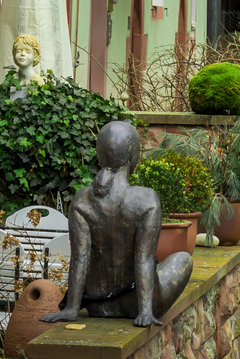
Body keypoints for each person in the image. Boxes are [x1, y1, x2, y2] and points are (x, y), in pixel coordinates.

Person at [40, 121, 194, 327]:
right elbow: (143, 260)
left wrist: (72, 308)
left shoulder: (82, 199)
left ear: (99, 155)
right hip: (136, 305)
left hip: (97, 304)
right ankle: (145, 307)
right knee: (182, 259)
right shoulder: (146, 199)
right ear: (133, 154)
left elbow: (80, 259)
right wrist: (145, 312)